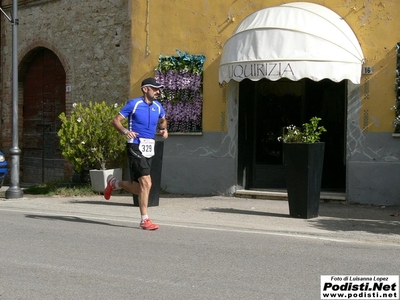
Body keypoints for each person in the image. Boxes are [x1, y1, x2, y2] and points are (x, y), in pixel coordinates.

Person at [104, 78, 168, 230]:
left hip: (149, 147)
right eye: (155, 88)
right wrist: (125, 131)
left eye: (159, 89)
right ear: (146, 89)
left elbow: (163, 120)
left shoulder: (158, 107)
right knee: (147, 182)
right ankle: (144, 220)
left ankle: (114, 183)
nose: (158, 91)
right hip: (135, 146)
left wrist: (163, 129)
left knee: (139, 188)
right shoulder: (134, 104)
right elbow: (116, 120)